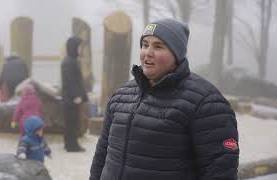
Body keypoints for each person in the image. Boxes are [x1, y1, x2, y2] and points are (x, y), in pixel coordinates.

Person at [89, 18, 239, 180]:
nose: (148, 52)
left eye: (158, 46)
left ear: (177, 54)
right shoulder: (121, 96)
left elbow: (221, 169)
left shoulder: (206, 102)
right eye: (145, 45)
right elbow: (102, 152)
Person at [61, 36, 88, 152]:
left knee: (73, 120)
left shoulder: (71, 60)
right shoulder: (68, 62)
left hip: (72, 97)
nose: (81, 49)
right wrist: (76, 95)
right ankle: (71, 145)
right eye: (79, 47)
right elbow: (70, 80)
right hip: (70, 98)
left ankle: (71, 143)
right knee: (71, 121)